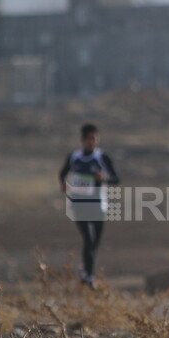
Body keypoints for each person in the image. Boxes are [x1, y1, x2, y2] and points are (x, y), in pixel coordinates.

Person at [60, 123, 120, 288]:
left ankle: (85, 272)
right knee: (88, 239)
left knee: (94, 244)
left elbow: (116, 179)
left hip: (98, 205)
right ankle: (89, 277)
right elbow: (63, 173)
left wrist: (104, 178)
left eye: (95, 138)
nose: (92, 141)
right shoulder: (74, 157)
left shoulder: (102, 157)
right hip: (79, 204)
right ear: (83, 140)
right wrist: (63, 184)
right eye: (89, 138)